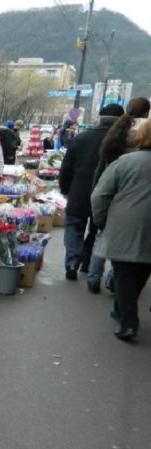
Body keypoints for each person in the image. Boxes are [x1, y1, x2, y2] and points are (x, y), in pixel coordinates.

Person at [91, 119, 151, 341]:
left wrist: (101, 220)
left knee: (124, 273)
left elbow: (100, 195)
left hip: (124, 224)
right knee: (142, 270)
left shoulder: (125, 162)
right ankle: (122, 310)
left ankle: (128, 322)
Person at [89, 97, 151, 293]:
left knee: (102, 238)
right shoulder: (142, 133)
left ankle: (93, 277)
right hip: (136, 202)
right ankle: (115, 282)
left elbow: (102, 169)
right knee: (129, 254)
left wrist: (98, 214)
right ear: (146, 112)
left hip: (113, 196)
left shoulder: (117, 131)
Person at [59, 103, 124, 283]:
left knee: (74, 227)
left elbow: (66, 168)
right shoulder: (122, 143)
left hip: (79, 192)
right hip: (108, 196)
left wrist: (65, 189)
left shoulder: (81, 138)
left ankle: (72, 262)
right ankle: (87, 262)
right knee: (98, 231)